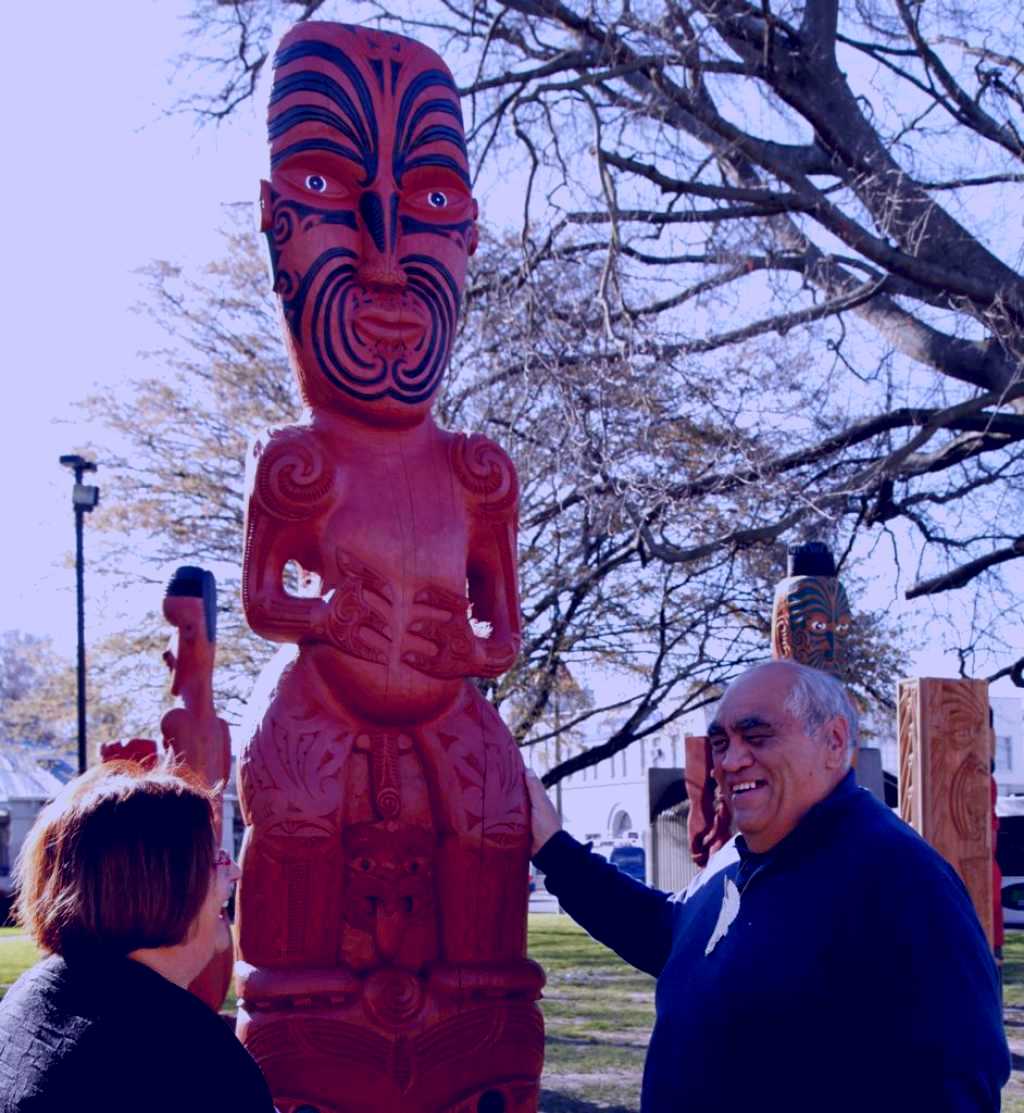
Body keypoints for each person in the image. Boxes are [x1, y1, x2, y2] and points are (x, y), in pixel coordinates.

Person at [527, 659, 1010, 1112]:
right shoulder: (732, 860)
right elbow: (669, 935)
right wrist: (554, 848)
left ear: (835, 741)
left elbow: (960, 1082)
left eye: (757, 736)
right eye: (720, 743)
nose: (732, 760)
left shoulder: (899, 876)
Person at [0, 760, 275, 1113]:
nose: (234, 871)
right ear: (163, 883)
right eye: (214, 860)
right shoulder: (179, 1049)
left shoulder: (36, 995)